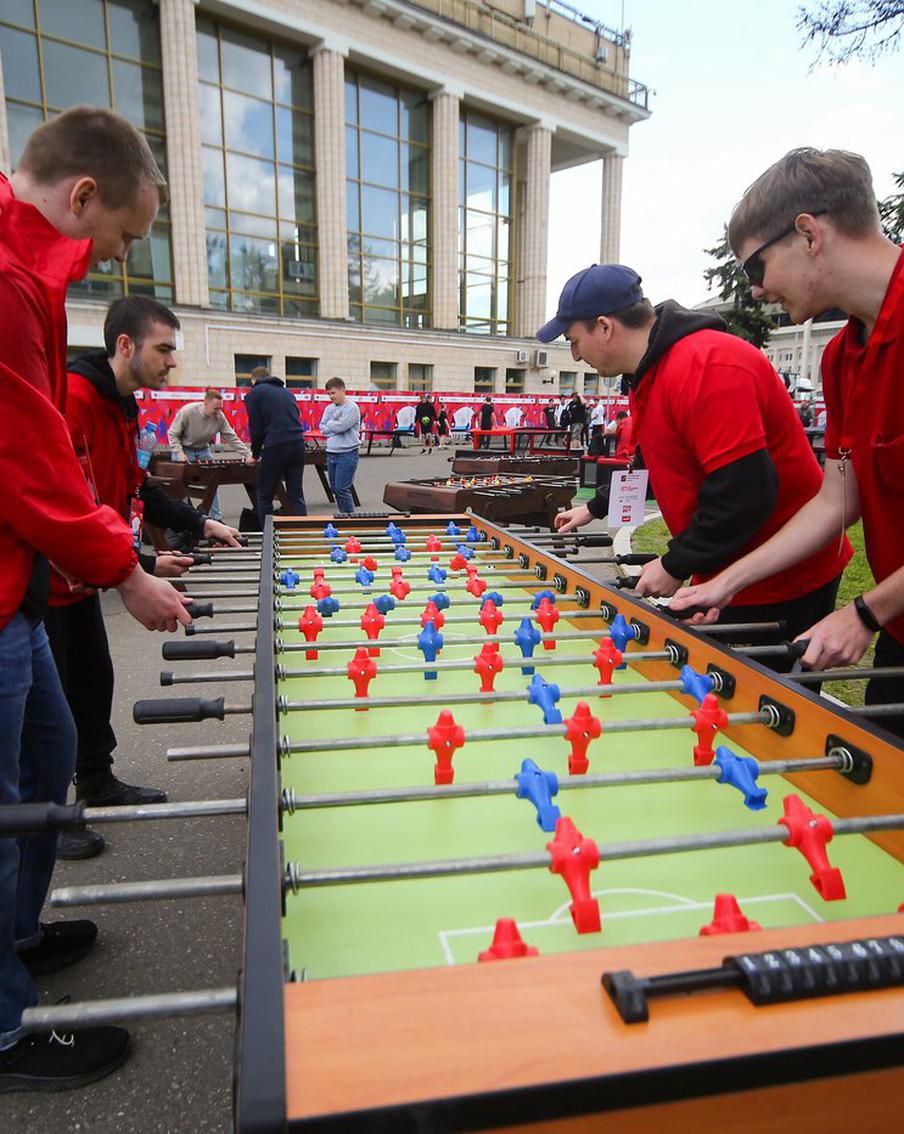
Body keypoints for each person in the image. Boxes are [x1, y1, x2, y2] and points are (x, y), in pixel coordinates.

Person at [0, 107, 191, 1091]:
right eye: (120, 234)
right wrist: (126, 570)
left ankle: (16, 939)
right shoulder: (6, 279)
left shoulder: (30, 275)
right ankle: (2, 1031)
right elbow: (29, 460)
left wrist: (130, 551)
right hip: (7, 591)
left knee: (48, 762)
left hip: (18, 591)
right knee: (5, 803)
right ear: (82, 195)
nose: (115, 257)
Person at [669, 148, 904, 736]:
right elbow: (836, 501)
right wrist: (724, 582)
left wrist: (864, 613)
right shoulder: (840, 358)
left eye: (757, 267)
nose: (755, 291)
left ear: (808, 234)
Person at [537, 262, 852, 655]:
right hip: (727, 565)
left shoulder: (705, 364)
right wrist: (596, 507)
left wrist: (676, 564)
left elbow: (745, 491)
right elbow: (659, 461)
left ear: (603, 326)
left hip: (783, 578)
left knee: (753, 691)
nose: (575, 355)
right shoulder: (647, 374)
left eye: (574, 340)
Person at [50, 297, 243, 860]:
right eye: (164, 349)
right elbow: (70, 507)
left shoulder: (122, 404)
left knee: (93, 681)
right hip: (47, 579)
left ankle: (96, 780)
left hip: (86, 574)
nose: (172, 362)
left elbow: (135, 487)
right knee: (48, 711)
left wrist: (200, 523)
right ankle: (49, 820)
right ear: (125, 345)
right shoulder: (74, 400)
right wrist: (134, 570)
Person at [168, 387, 252, 521]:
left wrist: (247, 453)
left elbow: (231, 437)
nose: (218, 412)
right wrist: (179, 453)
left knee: (212, 482)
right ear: (205, 403)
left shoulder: (220, 417)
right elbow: (172, 434)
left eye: (220, 408)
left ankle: (216, 518)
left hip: (203, 449)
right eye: (215, 409)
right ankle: (182, 519)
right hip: (185, 448)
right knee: (181, 485)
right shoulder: (188, 412)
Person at [244, 366, 307, 520]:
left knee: (265, 496)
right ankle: (302, 529)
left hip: (276, 446)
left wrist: (255, 454)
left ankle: (268, 532)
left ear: (254, 380)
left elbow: (256, 428)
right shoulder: (287, 393)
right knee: (296, 494)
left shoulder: (254, 394)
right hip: (298, 444)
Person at [320, 377, 360, 514]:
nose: (331, 396)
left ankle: (350, 519)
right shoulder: (329, 408)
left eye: (333, 393)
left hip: (347, 453)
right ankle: (343, 516)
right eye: (329, 394)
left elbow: (342, 426)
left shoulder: (352, 408)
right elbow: (322, 428)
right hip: (331, 452)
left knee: (342, 489)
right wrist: (334, 426)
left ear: (342, 390)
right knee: (335, 489)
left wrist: (331, 425)